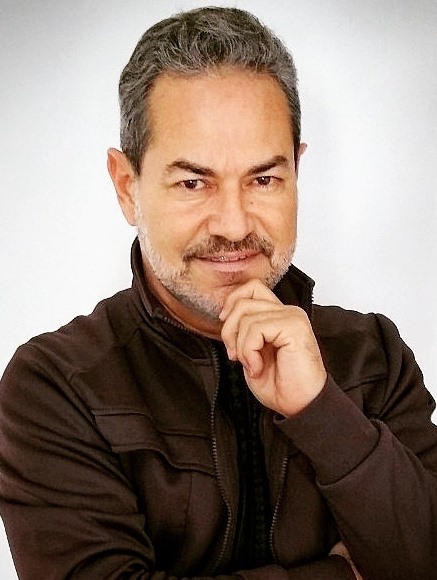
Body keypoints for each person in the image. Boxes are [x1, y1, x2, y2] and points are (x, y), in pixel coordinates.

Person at [0, 6, 436, 579]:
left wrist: (321, 411)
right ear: (127, 187)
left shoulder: (374, 356)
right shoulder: (55, 387)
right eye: (193, 182)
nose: (233, 224)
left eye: (263, 179)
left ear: (297, 172)